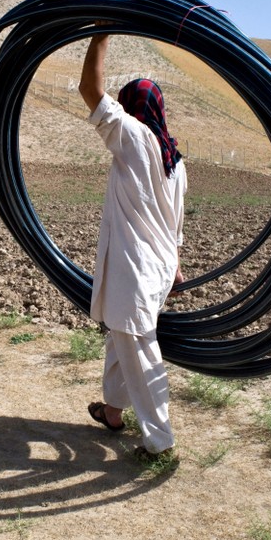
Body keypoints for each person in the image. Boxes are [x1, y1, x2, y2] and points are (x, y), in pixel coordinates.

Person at [77, 30, 187, 463]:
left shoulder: (134, 138)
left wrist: (101, 33)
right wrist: (176, 267)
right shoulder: (175, 160)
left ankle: (160, 442)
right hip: (156, 269)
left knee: (139, 352)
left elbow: (90, 90)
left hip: (136, 270)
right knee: (123, 341)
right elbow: (175, 224)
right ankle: (112, 413)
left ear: (133, 108)